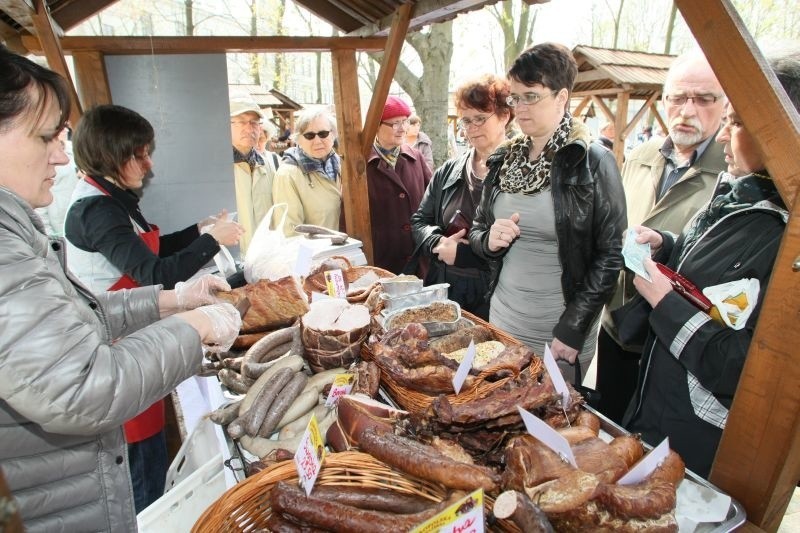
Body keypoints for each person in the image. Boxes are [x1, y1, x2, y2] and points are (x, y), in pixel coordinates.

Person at [0, 45, 241, 531]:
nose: (59, 154)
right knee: (144, 484)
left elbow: (79, 307)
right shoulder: (94, 208)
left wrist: (175, 297)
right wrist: (193, 322)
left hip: (127, 374)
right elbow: (81, 385)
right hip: (111, 390)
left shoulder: (105, 204)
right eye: (47, 136)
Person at [622, 51, 798, 478]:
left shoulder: (786, 233)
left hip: (699, 444)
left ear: (784, 132)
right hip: (662, 411)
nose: (722, 135)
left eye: (736, 122)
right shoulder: (747, 195)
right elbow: (726, 278)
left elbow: (741, 366)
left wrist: (665, 304)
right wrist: (668, 244)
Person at [62, 104, 244, 512]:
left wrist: (198, 231)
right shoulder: (97, 209)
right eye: (140, 154)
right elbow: (149, 272)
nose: (149, 163)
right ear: (111, 154)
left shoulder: (114, 196)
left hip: (135, 337)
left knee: (150, 452)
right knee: (141, 467)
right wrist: (212, 240)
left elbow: (152, 245)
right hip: (113, 349)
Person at [468, 43, 626, 384]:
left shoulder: (593, 161)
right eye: (514, 97)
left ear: (562, 97)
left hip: (559, 331)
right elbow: (477, 228)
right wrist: (487, 240)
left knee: (552, 424)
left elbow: (611, 254)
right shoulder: (503, 158)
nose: (520, 108)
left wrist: (573, 328)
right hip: (504, 318)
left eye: (531, 96)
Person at [596, 50, 727, 423]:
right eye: (677, 98)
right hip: (617, 324)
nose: (688, 110)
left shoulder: (732, 172)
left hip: (674, 341)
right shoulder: (641, 154)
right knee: (607, 424)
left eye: (704, 99)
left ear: (725, 104)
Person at [411, 74, 514, 320]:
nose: (471, 128)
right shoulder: (448, 171)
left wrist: (464, 255)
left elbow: (526, 248)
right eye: (466, 121)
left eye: (480, 118)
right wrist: (438, 242)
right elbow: (419, 222)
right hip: (448, 290)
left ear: (504, 116)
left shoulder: (521, 174)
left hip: (497, 298)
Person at [366, 95, 432, 274]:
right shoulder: (361, 166)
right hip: (381, 264)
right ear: (375, 126)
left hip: (419, 261)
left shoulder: (416, 157)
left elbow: (433, 202)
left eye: (405, 122)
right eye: (395, 123)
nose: (403, 129)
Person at [272, 108, 342, 236]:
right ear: (298, 139)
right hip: (319, 254)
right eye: (309, 135)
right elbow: (291, 232)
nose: (317, 141)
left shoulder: (343, 164)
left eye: (323, 134)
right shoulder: (288, 174)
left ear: (333, 134)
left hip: (350, 252)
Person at [230, 94, 278, 254]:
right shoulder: (217, 170)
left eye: (254, 123)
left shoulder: (270, 164)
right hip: (233, 263)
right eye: (242, 122)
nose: (249, 128)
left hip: (266, 259)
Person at [34, 125, 78, 237]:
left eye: (64, 126)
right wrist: (51, 236)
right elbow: (39, 203)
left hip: (81, 212)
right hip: (61, 224)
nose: (65, 130)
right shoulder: (40, 159)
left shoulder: (74, 150)